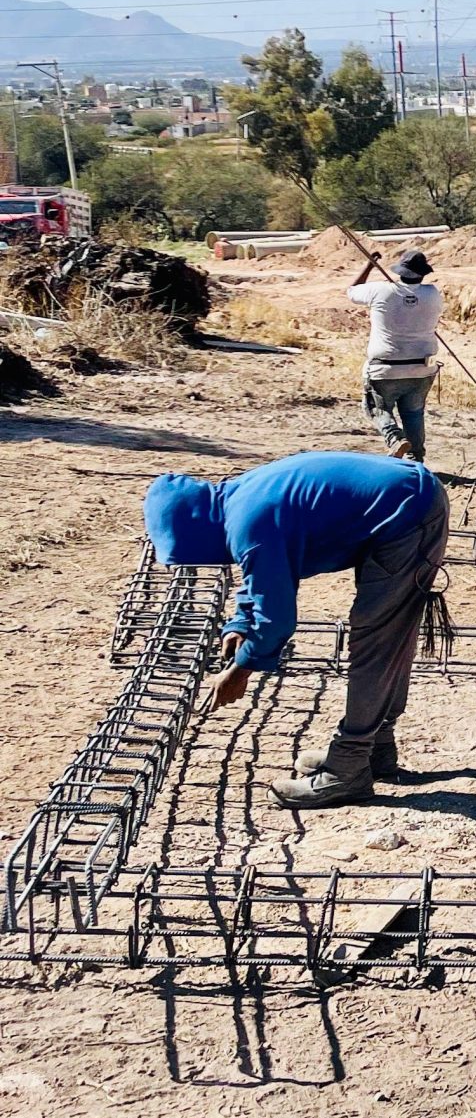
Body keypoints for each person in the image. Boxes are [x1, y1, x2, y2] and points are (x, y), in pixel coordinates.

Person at [143, 451, 449, 808]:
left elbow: (277, 618)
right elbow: (262, 574)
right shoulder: (238, 501)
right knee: (385, 637)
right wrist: (240, 623)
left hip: (408, 512)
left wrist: (240, 671)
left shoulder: (250, 524)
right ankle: (374, 750)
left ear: (193, 530)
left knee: (377, 641)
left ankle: (348, 770)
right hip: (406, 497)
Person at [349, 248, 442, 462]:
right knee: (413, 413)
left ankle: (394, 438)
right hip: (422, 367)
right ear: (423, 273)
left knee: (376, 408)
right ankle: (415, 457)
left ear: (400, 271)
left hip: (385, 368)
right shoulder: (432, 293)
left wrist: (369, 266)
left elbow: (352, 291)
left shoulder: (380, 290)